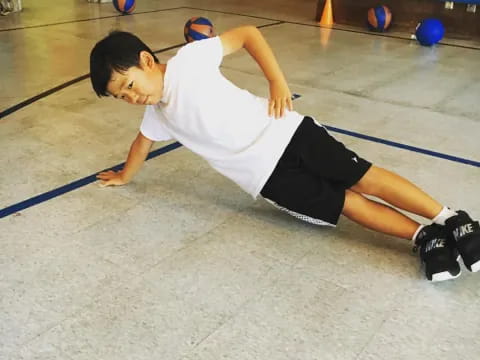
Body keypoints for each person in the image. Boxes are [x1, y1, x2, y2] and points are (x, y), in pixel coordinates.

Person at [89, 26, 479, 282]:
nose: (132, 97)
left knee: (363, 176)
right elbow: (142, 143)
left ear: (145, 61)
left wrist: (277, 81)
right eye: (122, 97)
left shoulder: (188, 62)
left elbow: (247, 34)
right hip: (268, 177)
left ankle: (452, 219)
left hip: (288, 132)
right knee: (346, 203)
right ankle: (425, 236)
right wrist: (125, 176)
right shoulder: (157, 114)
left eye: (130, 85)